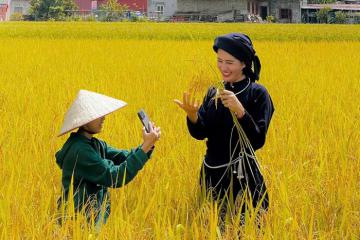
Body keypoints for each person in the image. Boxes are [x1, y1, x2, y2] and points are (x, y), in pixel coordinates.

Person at [174, 33, 274, 223]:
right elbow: (200, 133)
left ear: (244, 63)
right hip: (211, 174)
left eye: (230, 62)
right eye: (220, 61)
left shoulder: (257, 94)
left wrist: (240, 111)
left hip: (242, 176)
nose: (223, 67)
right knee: (210, 227)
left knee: (245, 228)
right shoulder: (214, 91)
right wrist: (193, 115)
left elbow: (258, 140)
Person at [56, 89, 161, 229]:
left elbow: (124, 157)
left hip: (91, 223)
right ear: (84, 121)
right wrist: (146, 146)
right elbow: (115, 176)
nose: (104, 117)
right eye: (97, 115)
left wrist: (147, 145)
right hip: (77, 225)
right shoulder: (80, 151)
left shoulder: (95, 144)